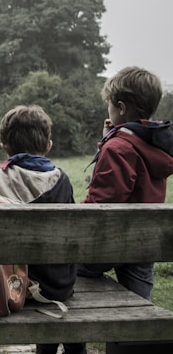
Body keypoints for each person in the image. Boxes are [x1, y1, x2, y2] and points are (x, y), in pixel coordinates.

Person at [0, 105, 84, 354]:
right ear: (48, 145)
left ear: (4, 146)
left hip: (5, 287)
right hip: (56, 287)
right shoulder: (61, 181)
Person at [78, 66, 173, 301]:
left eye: (110, 106)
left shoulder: (119, 148)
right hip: (144, 241)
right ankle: (138, 334)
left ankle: (73, 336)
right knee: (140, 300)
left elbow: (102, 203)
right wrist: (108, 138)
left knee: (63, 268)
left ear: (120, 107)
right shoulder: (154, 142)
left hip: (110, 241)